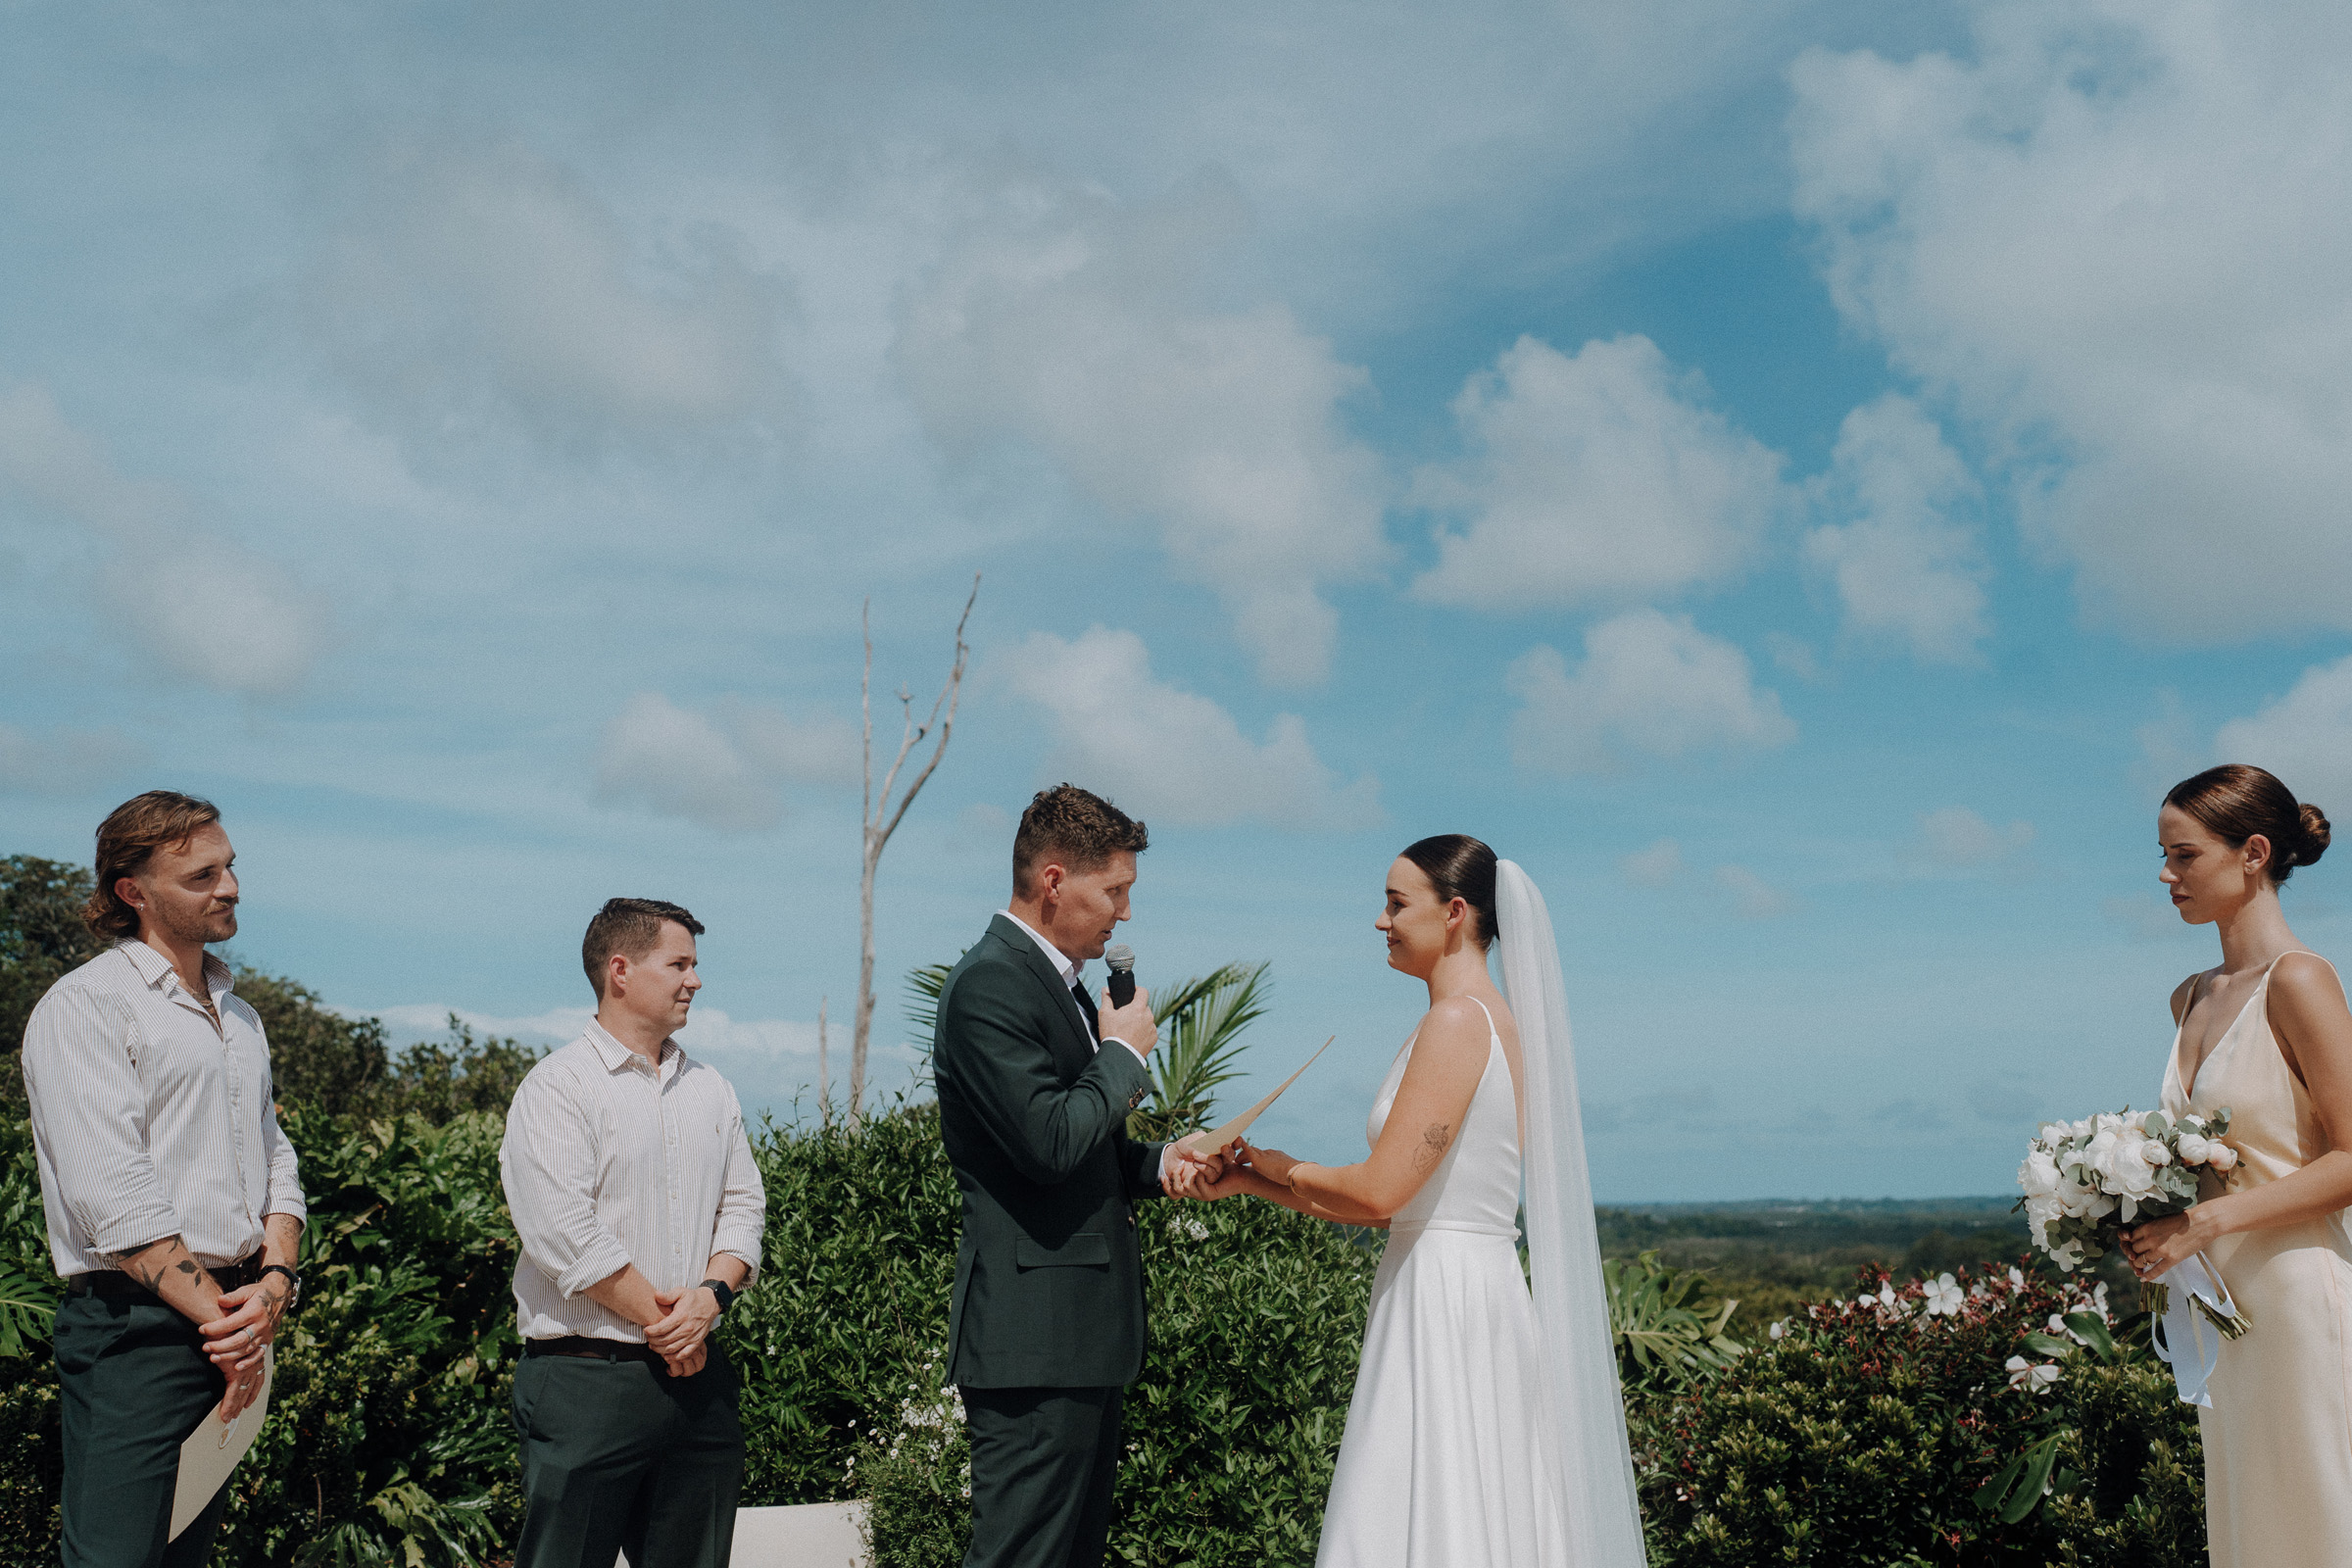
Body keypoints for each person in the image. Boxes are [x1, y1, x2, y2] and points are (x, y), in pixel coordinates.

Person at [1177, 836, 1646, 1566]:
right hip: (1455, 1280)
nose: (1381, 921)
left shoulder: (1458, 1023)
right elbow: (1398, 1205)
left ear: (1454, 912)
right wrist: (1251, 1181)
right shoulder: (1476, 1019)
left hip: (1445, 1297)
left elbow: (1380, 1191)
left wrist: (1280, 1162)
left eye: (1397, 904)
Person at [931, 784, 1213, 1568]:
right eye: (1114, 891)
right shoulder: (991, 984)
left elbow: (1082, 1155)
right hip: (1033, 1342)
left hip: (1076, 1340)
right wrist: (1122, 1053)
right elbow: (1049, 1142)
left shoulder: (1060, 987)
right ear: (1055, 880)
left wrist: (1164, 1163)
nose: (1123, 914)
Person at [21, 791, 305, 1568]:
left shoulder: (240, 1016)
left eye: (231, 867)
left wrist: (274, 1282)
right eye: (202, 875)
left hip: (237, 1319)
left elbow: (275, 1156)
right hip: (137, 1333)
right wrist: (232, 1329)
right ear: (132, 892)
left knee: (183, 1554)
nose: (230, 887)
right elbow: (111, 1197)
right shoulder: (84, 1007)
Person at [2121, 765, 2352, 1567]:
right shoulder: (2189, 995)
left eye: (2183, 855)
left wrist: (2206, 1221)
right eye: (2163, 854)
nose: (2165, 875)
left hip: (2296, 1297)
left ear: (2253, 853)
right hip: (2218, 1316)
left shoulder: (2301, 980)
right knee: (2251, 1529)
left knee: (2316, 1520)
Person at [499, 898, 765, 1568]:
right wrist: (669, 1325)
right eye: (679, 964)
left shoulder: (714, 1090)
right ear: (620, 970)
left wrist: (710, 1299)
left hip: (697, 1384)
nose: (694, 981)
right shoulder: (556, 1088)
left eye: (694, 965)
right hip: (586, 1383)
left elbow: (744, 1206)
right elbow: (565, 1234)